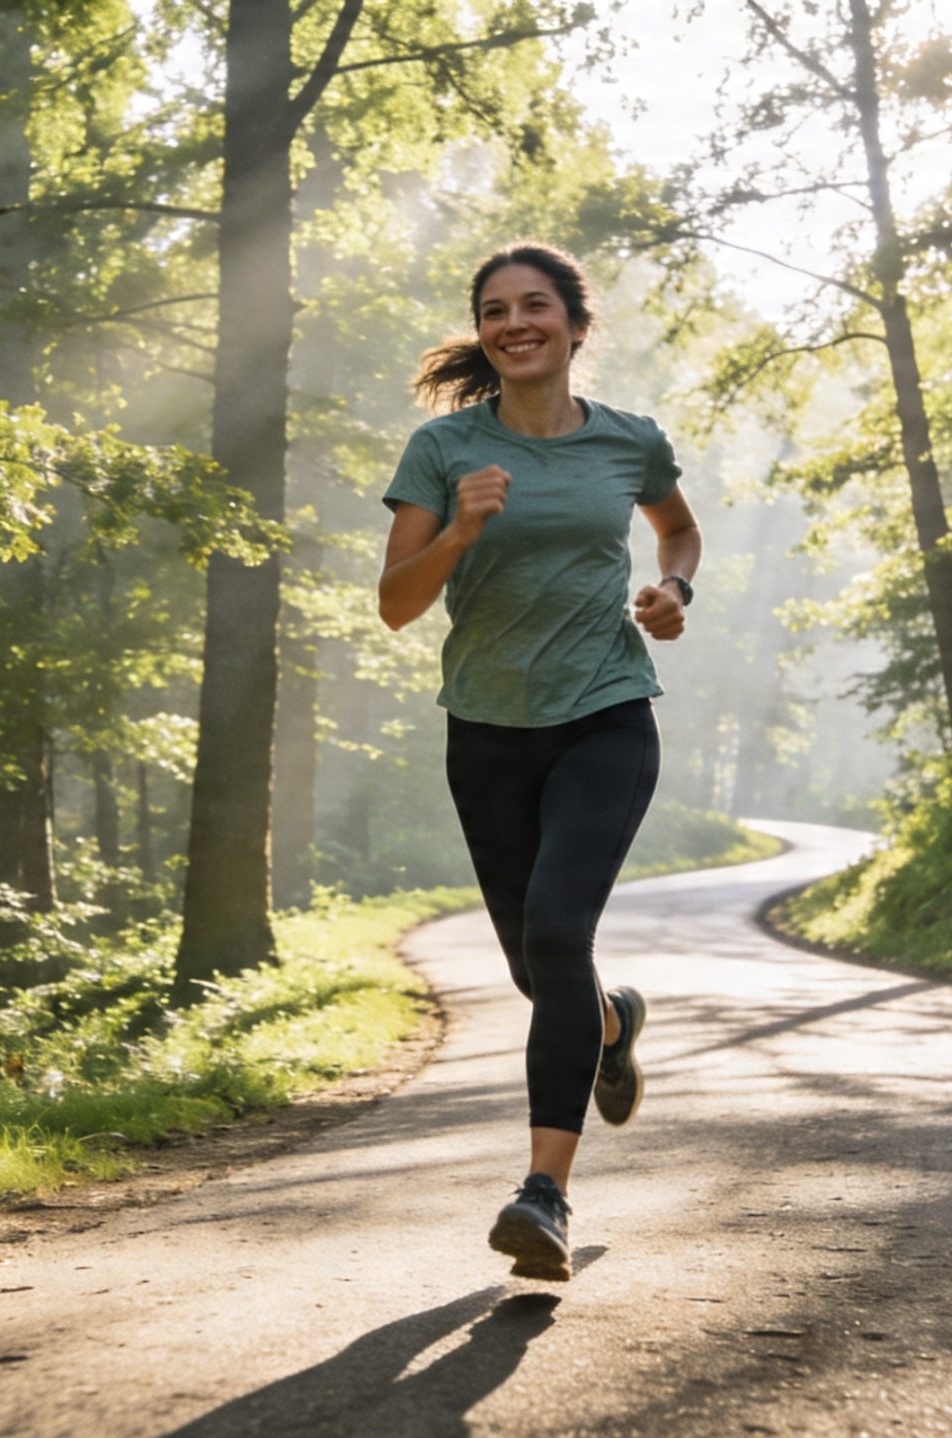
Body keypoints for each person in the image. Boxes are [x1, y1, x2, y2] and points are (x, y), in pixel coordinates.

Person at [377, 243, 701, 1282]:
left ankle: (543, 1191)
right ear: (482, 332)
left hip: (606, 713)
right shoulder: (442, 450)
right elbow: (396, 602)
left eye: (533, 306)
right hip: (485, 729)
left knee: (559, 933)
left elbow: (679, 532)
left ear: (572, 322)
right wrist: (461, 530)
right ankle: (609, 1022)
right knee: (537, 969)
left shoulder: (628, 442)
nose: (514, 323)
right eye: (494, 311)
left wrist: (672, 593)